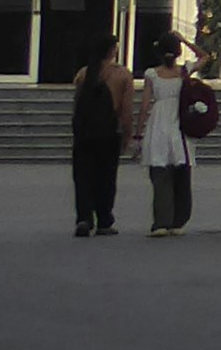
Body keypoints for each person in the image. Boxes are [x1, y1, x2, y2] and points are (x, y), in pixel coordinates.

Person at [137, 30, 201, 237]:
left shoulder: (152, 74)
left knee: (160, 170)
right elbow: (205, 57)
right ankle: (179, 220)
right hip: (179, 120)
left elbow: (145, 104)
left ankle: (161, 221)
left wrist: (138, 132)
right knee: (181, 171)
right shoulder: (183, 72)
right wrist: (185, 40)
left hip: (159, 120)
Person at [69, 35, 133, 238]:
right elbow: (126, 110)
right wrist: (127, 136)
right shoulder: (122, 74)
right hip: (108, 132)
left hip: (85, 133)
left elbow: (76, 103)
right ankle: (104, 219)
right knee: (106, 176)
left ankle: (84, 218)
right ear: (112, 50)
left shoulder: (84, 73)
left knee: (83, 176)